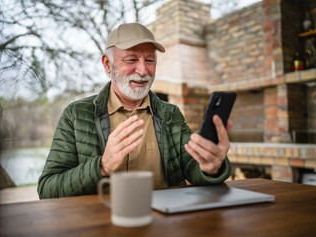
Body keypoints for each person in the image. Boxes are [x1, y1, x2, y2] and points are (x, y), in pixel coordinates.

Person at [37, 23, 232, 199]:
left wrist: (210, 168)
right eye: (131, 60)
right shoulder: (76, 115)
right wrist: (102, 166)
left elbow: (192, 167)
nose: (143, 70)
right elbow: (48, 189)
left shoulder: (170, 114)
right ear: (107, 64)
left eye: (149, 60)